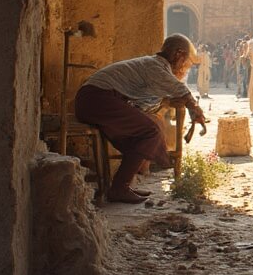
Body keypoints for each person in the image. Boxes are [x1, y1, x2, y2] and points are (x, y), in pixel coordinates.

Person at [74, 34, 206, 204]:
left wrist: (169, 101)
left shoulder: (154, 67)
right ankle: (119, 188)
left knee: (142, 135)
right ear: (178, 55)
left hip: (95, 101)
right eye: (184, 61)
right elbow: (179, 88)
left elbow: (145, 104)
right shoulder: (154, 65)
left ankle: (123, 184)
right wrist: (195, 108)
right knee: (150, 131)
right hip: (96, 99)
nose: (183, 67)